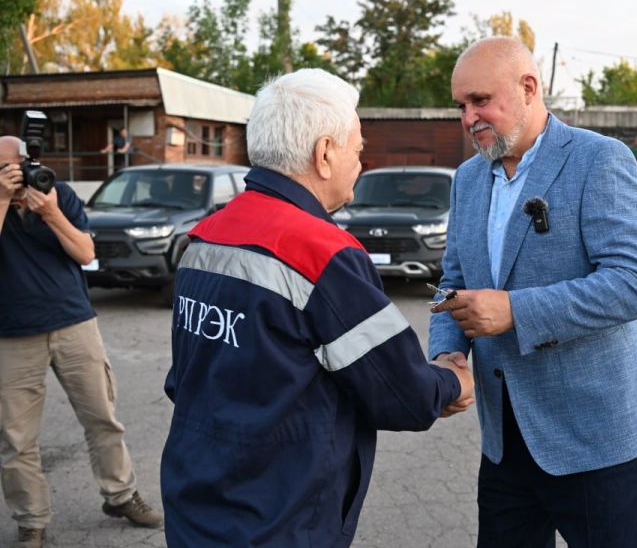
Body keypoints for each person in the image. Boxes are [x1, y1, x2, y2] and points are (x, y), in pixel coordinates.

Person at [160, 68, 475, 548]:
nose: (360, 164)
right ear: (324, 153)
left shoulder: (206, 236)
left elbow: (184, 379)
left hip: (194, 503)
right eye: (358, 149)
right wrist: (453, 380)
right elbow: (403, 393)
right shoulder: (325, 254)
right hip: (278, 517)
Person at [429, 37, 637, 548]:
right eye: (461, 106)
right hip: (505, 441)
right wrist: (448, 352)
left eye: (480, 101)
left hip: (595, 439)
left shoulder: (600, 160)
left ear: (529, 88)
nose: (469, 118)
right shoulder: (468, 179)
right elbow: (451, 282)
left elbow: (636, 284)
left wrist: (515, 310)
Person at [0, 136, 163, 548]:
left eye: (17, 163)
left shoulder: (59, 193)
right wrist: (3, 199)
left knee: (103, 418)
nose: (14, 171)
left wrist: (52, 212)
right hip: (12, 332)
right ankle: (31, 521)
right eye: (4, 167)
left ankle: (121, 495)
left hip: (74, 323)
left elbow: (85, 251)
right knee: (16, 438)